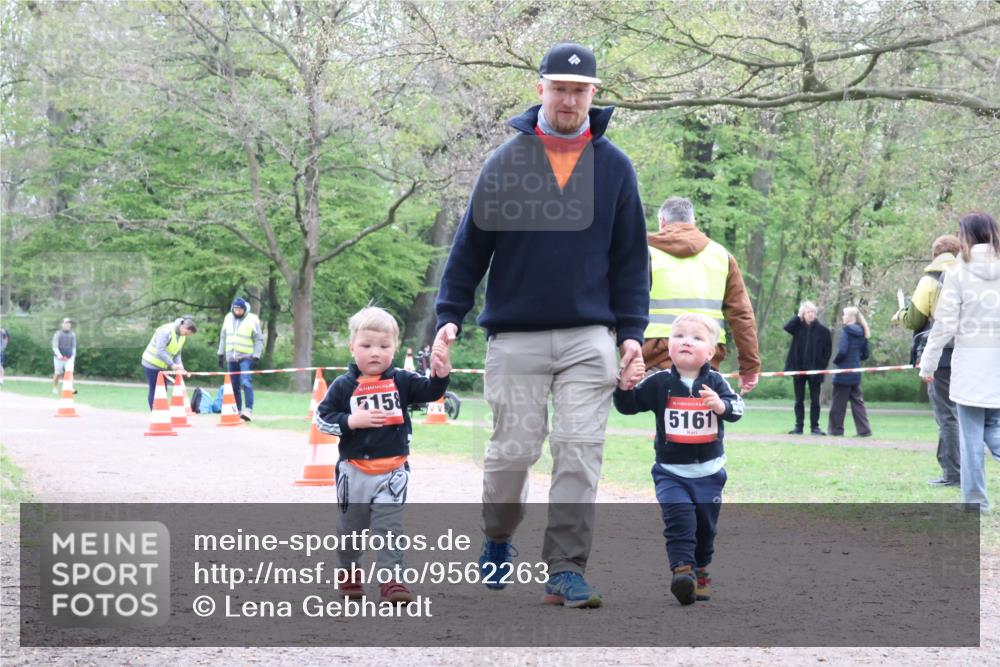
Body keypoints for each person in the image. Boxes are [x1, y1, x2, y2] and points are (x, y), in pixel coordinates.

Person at [432, 42, 649, 608]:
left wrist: (631, 334)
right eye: (560, 89)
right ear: (541, 91)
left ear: (594, 96)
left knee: (579, 451)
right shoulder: (505, 162)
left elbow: (631, 262)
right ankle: (498, 536)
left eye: (580, 91)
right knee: (513, 454)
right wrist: (448, 318)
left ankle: (566, 569)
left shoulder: (616, 168)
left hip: (589, 338)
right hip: (516, 336)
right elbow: (469, 248)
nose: (570, 100)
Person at [314, 306, 451, 602]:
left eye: (384, 346)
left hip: (393, 472)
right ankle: (349, 572)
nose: (375, 352)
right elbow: (322, 418)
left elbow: (430, 391)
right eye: (366, 346)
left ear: (395, 348)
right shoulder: (343, 386)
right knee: (352, 529)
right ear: (352, 348)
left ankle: (392, 581)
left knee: (389, 527)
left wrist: (440, 375)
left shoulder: (402, 380)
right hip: (354, 472)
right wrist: (350, 421)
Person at [614, 313, 744, 605]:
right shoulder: (658, 382)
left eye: (697, 338)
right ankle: (682, 571)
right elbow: (629, 406)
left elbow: (738, 408)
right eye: (679, 336)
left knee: (705, 528)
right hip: (670, 472)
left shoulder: (717, 381)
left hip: (710, 473)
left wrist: (721, 406)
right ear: (669, 346)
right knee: (679, 518)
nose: (686, 341)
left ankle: (700, 569)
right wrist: (623, 386)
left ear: (710, 353)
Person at [920, 212, 1000, 513]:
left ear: (966, 236)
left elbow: (944, 325)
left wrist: (928, 364)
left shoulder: (958, 272)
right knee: (994, 427)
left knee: (971, 439)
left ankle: (976, 502)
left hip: (969, 365)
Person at [642, 197, 761, 394]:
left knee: (663, 416)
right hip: (705, 356)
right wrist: (749, 366)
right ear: (693, 222)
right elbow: (742, 315)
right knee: (703, 415)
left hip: (655, 355)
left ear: (662, 221)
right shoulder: (721, 256)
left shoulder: (645, 253)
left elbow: (623, 303)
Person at [894, 235, 961, 486]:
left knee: (946, 415)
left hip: (942, 354)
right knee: (966, 414)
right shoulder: (971, 276)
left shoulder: (931, 279)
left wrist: (900, 314)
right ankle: (964, 471)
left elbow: (914, 319)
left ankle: (952, 472)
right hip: (970, 353)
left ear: (935, 254)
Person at [783, 301, 833, 435]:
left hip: (815, 371)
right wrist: (798, 316)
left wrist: (820, 366)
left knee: (815, 400)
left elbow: (827, 352)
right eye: (807, 312)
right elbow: (787, 327)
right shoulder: (797, 327)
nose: (810, 315)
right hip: (798, 369)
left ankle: (814, 427)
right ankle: (798, 426)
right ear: (803, 314)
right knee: (799, 400)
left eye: (812, 312)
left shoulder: (823, 331)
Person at [828, 307, 872, 437]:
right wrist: (856, 359)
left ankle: (836, 430)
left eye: (844, 315)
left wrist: (837, 361)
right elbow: (865, 354)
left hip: (844, 372)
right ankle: (864, 430)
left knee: (838, 403)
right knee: (858, 403)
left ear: (850, 318)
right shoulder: (863, 332)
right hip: (856, 371)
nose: (842, 317)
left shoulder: (846, 331)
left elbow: (842, 350)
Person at [217, 298, 263, 421]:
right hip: (231, 357)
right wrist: (220, 354)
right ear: (232, 308)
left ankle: (248, 410)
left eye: (240, 310)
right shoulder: (227, 317)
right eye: (235, 309)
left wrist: (256, 356)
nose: (237, 312)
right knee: (234, 385)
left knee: (246, 382)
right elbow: (223, 336)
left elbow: (258, 339)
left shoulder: (253, 319)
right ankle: (236, 410)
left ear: (244, 309)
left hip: (246, 357)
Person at [141, 316, 197, 409]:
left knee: (162, 390)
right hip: (151, 363)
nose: (186, 335)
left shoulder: (182, 337)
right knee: (155, 390)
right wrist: (172, 364)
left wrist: (181, 367)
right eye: (187, 333)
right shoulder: (166, 331)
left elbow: (177, 354)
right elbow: (160, 350)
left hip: (162, 365)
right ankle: (156, 415)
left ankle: (159, 414)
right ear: (183, 327)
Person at [51, 317, 76, 393]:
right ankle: (55, 388)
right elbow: (55, 346)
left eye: (69, 323)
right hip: (59, 358)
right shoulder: (58, 334)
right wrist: (60, 356)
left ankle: (69, 388)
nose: (68, 325)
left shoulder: (72, 334)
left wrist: (73, 356)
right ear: (62, 324)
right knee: (58, 373)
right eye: (66, 323)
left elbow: (74, 346)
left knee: (69, 372)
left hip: (69, 357)